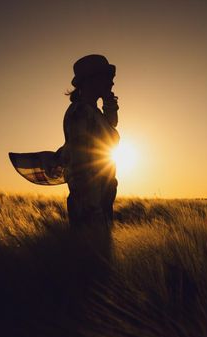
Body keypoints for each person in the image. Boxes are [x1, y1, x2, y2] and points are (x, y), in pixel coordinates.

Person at [58, 54, 120, 263]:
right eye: (106, 77)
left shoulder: (91, 111)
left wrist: (109, 102)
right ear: (92, 80)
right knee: (93, 265)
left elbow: (111, 128)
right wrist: (93, 211)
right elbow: (81, 166)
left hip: (99, 199)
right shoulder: (80, 113)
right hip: (90, 203)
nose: (112, 81)